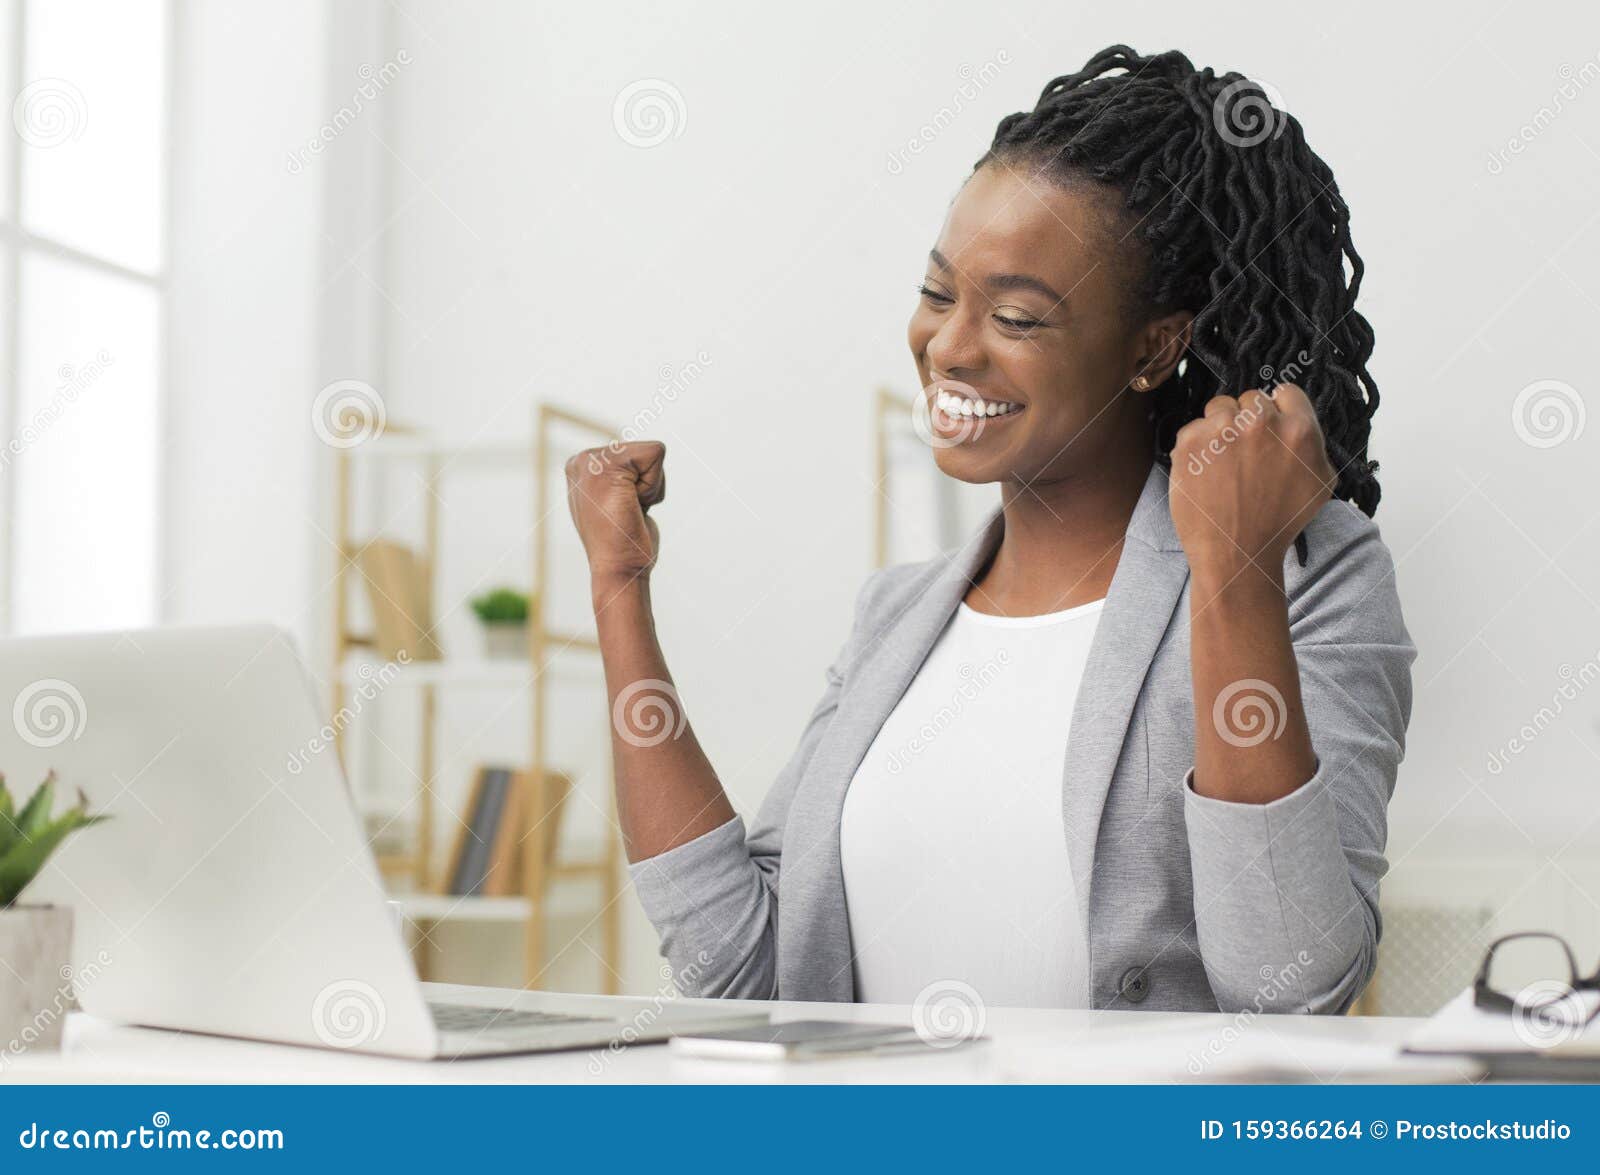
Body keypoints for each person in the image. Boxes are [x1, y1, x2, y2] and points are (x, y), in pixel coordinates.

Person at [564, 44, 1414, 1015]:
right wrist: (618, 590)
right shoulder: (898, 615)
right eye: (936, 295)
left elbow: (1289, 986)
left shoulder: (1311, 574)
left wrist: (1233, 565)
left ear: (1152, 346)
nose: (948, 347)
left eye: (1013, 316)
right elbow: (741, 972)